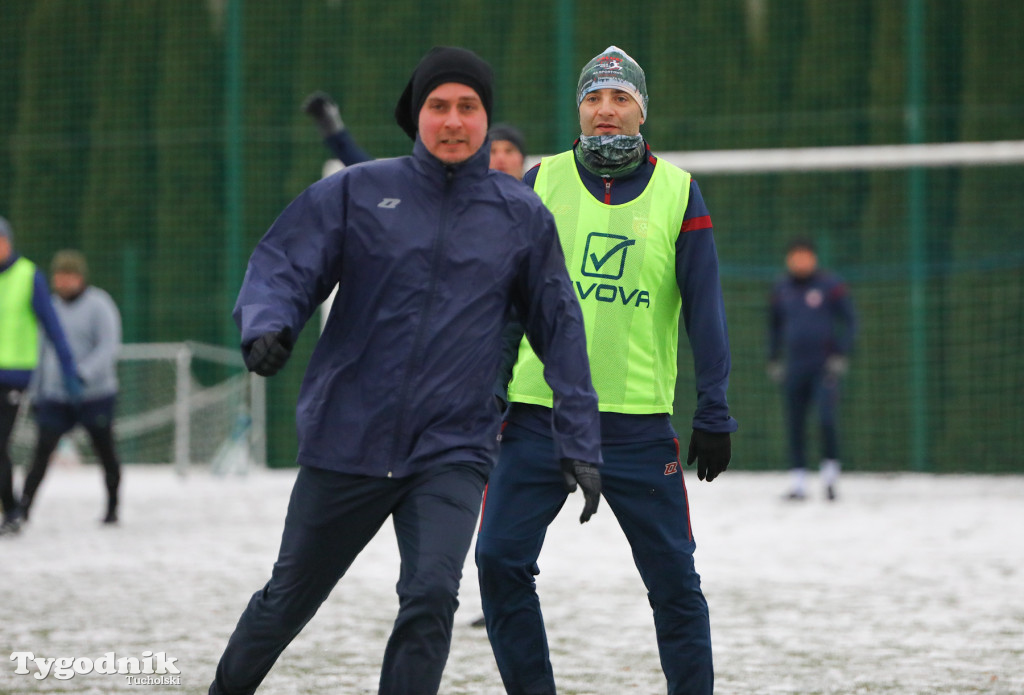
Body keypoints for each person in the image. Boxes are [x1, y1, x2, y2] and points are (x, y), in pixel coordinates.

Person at [208, 46, 602, 695]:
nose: (454, 120)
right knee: (287, 600)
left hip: (451, 448)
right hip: (347, 439)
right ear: (416, 116)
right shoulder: (358, 191)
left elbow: (560, 327)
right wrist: (267, 323)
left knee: (429, 599)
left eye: (468, 107)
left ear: (486, 118)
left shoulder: (522, 216)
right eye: (439, 106)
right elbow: (286, 261)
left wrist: (580, 438)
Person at [475, 46, 737, 695]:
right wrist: (488, 387)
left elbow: (706, 309)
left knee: (675, 582)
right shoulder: (539, 182)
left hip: (638, 427)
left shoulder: (681, 192)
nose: (606, 110)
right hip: (539, 416)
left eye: (620, 98)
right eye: (594, 98)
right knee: (498, 561)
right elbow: (506, 301)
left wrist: (714, 406)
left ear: (641, 110)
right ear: (581, 110)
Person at [19, 250, 123, 525]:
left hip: (96, 395)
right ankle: (23, 510)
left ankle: (112, 509)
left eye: (69, 276)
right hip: (56, 397)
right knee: (41, 453)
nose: (63, 282)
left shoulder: (100, 305)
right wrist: (38, 390)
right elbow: (41, 351)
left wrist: (82, 374)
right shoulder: (49, 306)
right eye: (59, 276)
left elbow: (108, 346)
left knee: (106, 452)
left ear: (80, 277)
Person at [0, 217, 80, 536]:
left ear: (8, 242)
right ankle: (13, 508)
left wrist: (69, 369)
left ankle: (12, 510)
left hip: (14, 377)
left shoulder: (28, 276)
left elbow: (53, 326)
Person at [767, 238, 857, 501]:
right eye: (795, 257)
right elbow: (773, 326)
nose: (800, 261)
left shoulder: (830, 285)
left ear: (814, 258)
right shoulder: (781, 288)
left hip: (823, 366)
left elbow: (851, 321)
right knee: (795, 423)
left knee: (826, 419)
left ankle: (830, 479)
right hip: (794, 365)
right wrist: (773, 358)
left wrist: (841, 352)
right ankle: (798, 484)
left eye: (805, 256)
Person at [303, 90, 528, 178]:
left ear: (523, 159)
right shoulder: (457, 194)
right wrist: (335, 133)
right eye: (493, 150)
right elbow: (371, 174)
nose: (500, 158)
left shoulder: (541, 205)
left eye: (509, 150)